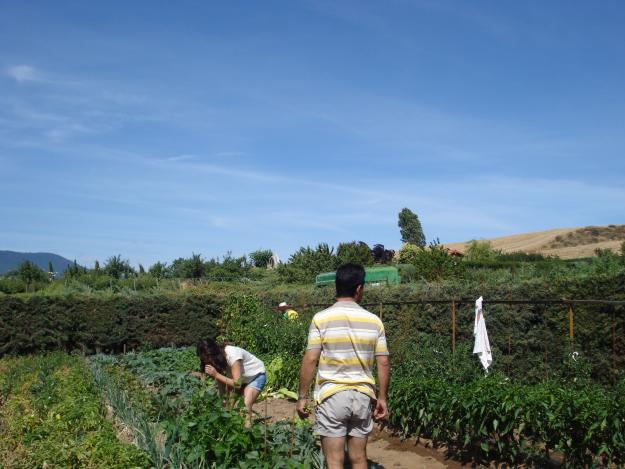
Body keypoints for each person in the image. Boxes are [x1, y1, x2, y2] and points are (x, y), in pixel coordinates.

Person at [296, 263, 390, 469]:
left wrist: (302, 397)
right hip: (363, 396)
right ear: (359, 288)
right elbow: (383, 361)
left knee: (334, 461)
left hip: (332, 396)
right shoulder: (374, 321)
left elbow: (311, 358)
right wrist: (382, 397)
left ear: (336, 287)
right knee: (358, 458)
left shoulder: (321, 318)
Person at [193, 338, 266, 426]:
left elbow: (237, 384)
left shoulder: (232, 355)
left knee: (244, 408)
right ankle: (226, 432)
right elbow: (221, 383)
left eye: (206, 357)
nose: (206, 361)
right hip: (239, 379)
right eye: (203, 358)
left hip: (256, 376)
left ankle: (248, 433)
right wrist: (223, 401)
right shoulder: (216, 360)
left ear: (213, 353)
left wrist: (216, 375)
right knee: (227, 409)